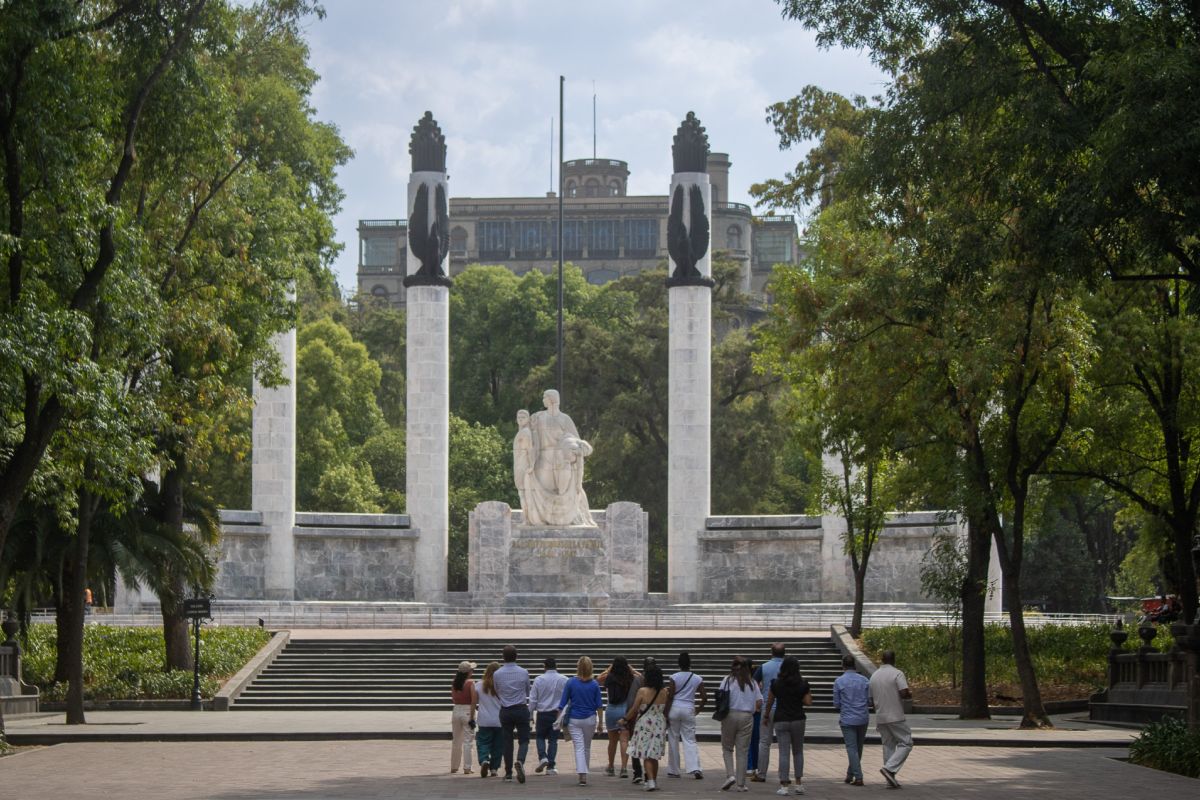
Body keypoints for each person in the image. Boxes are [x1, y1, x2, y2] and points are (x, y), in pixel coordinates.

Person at [525, 389, 595, 527]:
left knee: (568, 490)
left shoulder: (564, 419)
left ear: (551, 399)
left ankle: (573, 516)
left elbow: (576, 440)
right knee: (544, 492)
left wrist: (581, 448)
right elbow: (527, 435)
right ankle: (543, 519)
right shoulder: (538, 417)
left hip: (562, 460)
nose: (543, 400)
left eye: (544, 397)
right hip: (543, 459)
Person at [764, 655, 812, 796]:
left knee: (783, 752)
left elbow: (770, 701)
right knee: (798, 751)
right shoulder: (803, 683)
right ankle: (798, 784)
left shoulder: (776, 683)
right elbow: (808, 702)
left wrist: (766, 716)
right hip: (798, 719)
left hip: (781, 719)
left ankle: (784, 785)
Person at [624, 659, 672, 791]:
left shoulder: (642, 691)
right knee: (654, 754)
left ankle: (650, 780)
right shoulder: (664, 692)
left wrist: (625, 719)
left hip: (645, 722)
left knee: (646, 753)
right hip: (659, 723)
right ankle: (654, 780)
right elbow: (666, 709)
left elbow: (634, 709)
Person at [869, 650, 913, 789]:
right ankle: (889, 769)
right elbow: (903, 693)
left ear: (882, 660)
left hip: (881, 716)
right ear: (893, 659)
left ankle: (890, 779)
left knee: (888, 745)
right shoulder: (897, 673)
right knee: (906, 742)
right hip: (895, 715)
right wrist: (909, 694)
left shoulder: (874, 676)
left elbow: (870, 699)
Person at [557, 655, 604, 786]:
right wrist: (600, 723)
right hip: (590, 719)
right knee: (587, 747)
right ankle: (584, 773)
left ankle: (582, 774)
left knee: (579, 747)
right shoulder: (594, 684)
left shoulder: (571, 682)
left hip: (574, 719)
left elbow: (562, 703)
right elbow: (599, 705)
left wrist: (558, 719)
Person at [718, 656, 761, 792]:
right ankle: (741, 784)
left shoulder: (727, 680)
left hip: (729, 715)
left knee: (727, 748)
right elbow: (759, 701)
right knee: (742, 750)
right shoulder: (752, 683)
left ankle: (730, 775)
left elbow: (720, 697)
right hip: (747, 716)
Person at [494, 644, 532, 783]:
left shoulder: (497, 673)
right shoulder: (523, 672)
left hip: (506, 710)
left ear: (503, 657)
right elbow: (528, 691)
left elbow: (497, 691)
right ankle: (520, 760)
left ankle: (508, 772)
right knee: (524, 739)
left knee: (507, 741)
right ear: (516, 656)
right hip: (521, 708)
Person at [666, 651, 706, 779]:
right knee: (689, 739)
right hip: (689, 708)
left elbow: (670, 696)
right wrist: (698, 710)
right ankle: (695, 768)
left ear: (679, 664)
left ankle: (674, 770)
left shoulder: (674, 677)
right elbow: (704, 697)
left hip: (675, 708)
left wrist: (665, 713)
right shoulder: (697, 678)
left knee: (673, 738)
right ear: (690, 664)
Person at [832, 655, 870, 785]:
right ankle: (850, 774)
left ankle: (858, 777)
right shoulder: (864, 680)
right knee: (858, 748)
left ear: (843, 665)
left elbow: (836, 704)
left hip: (847, 719)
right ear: (855, 665)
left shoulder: (839, 681)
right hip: (863, 718)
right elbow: (869, 701)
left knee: (851, 748)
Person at [752, 643, 786, 782]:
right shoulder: (789, 668)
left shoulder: (764, 667)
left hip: (768, 708)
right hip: (785, 709)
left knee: (764, 741)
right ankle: (783, 775)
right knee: (784, 744)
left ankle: (761, 773)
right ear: (784, 653)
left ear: (771, 652)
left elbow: (753, 683)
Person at [598, 655, 636, 778]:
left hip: (611, 710)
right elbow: (641, 677)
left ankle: (611, 766)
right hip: (625, 711)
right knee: (624, 740)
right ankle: (624, 768)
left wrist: (608, 670)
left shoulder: (609, 677)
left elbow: (598, 679)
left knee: (612, 741)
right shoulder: (630, 678)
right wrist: (632, 669)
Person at [530, 656, 568, 775]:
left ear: (544, 667)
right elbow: (567, 699)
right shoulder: (564, 679)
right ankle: (551, 766)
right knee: (553, 740)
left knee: (540, 736)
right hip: (557, 713)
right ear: (556, 666)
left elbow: (532, 699)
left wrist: (530, 715)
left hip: (542, 713)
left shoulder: (538, 679)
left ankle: (543, 757)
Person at [475, 661, 503, 778]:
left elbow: (475, 701)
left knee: (483, 742)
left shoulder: (479, 685)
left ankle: (484, 759)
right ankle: (494, 768)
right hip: (499, 720)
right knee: (498, 745)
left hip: (484, 719)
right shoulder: (502, 685)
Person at [450, 660, 477, 774]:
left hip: (456, 710)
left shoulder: (455, 683)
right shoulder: (471, 683)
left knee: (456, 740)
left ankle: (454, 766)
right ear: (468, 672)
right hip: (467, 710)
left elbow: (453, 698)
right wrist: (472, 717)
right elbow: (473, 701)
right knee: (468, 740)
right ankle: (467, 767)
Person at [513, 409, 535, 514]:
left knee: (523, 493)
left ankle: (527, 518)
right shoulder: (521, 431)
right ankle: (527, 517)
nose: (520, 419)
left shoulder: (526, 432)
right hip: (518, 464)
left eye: (523, 417)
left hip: (523, 465)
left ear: (528, 419)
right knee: (522, 492)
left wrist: (531, 465)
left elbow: (530, 450)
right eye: (519, 417)